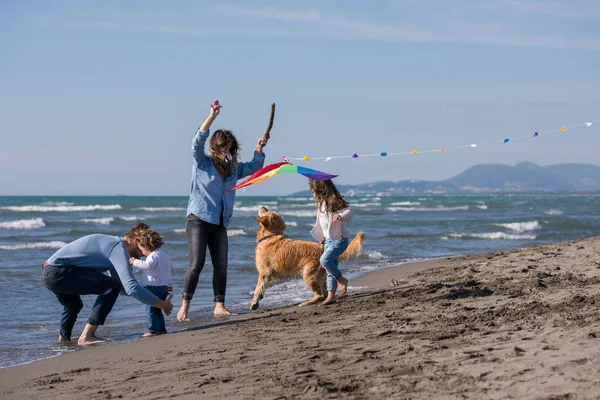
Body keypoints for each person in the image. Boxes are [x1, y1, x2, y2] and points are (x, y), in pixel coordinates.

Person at [178, 100, 267, 321]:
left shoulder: (233, 169)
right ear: (215, 146)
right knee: (197, 262)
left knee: (222, 264)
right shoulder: (202, 162)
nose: (226, 149)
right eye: (223, 145)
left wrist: (259, 149)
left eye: (230, 146)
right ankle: (184, 308)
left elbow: (254, 168)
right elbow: (195, 143)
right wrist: (212, 116)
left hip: (220, 222)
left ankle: (219, 306)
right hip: (198, 218)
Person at [41, 226, 174, 345]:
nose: (141, 257)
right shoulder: (118, 247)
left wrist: (151, 295)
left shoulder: (114, 248)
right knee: (111, 286)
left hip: (49, 273)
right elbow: (130, 288)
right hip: (59, 271)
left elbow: (123, 288)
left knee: (74, 304)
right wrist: (162, 304)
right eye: (141, 251)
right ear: (135, 241)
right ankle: (87, 336)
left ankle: (64, 339)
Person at [309, 179, 355, 305]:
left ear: (321, 190)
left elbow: (350, 211)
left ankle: (341, 279)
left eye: (313, 191)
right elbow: (323, 223)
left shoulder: (333, 201)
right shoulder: (320, 204)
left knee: (324, 260)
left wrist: (342, 216)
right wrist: (323, 236)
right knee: (330, 270)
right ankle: (331, 296)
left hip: (339, 240)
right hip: (328, 241)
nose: (312, 193)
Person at [129, 229, 173, 337]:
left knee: (150, 309)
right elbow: (169, 268)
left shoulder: (153, 255)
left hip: (153, 287)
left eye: (141, 249)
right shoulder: (164, 254)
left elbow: (147, 266)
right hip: (163, 287)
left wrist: (135, 262)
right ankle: (161, 329)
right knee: (157, 309)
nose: (141, 252)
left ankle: (153, 330)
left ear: (146, 246)